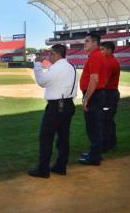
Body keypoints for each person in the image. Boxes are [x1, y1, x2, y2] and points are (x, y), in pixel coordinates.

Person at [28, 44, 77, 178]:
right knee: (63, 138)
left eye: (51, 54)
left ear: (57, 54)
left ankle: (43, 169)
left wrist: (37, 64)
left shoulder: (57, 67)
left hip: (56, 107)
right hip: (68, 105)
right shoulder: (71, 66)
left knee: (46, 137)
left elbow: (42, 81)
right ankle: (61, 166)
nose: (49, 56)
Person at [78, 32, 108, 166]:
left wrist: (86, 99)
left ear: (95, 43)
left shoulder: (95, 56)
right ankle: (95, 153)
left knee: (93, 127)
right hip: (97, 94)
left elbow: (94, 80)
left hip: (94, 95)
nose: (84, 43)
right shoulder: (95, 55)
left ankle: (94, 157)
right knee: (95, 126)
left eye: (87, 41)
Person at [100, 41, 120, 152]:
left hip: (108, 94)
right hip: (111, 93)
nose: (101, 51)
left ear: (109, 50)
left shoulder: (109, 63)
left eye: (102, 49)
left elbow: (104, 82)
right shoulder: (110, 61)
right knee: (109, 119)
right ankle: (111, 142)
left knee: (105, 119)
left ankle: (106, 145)